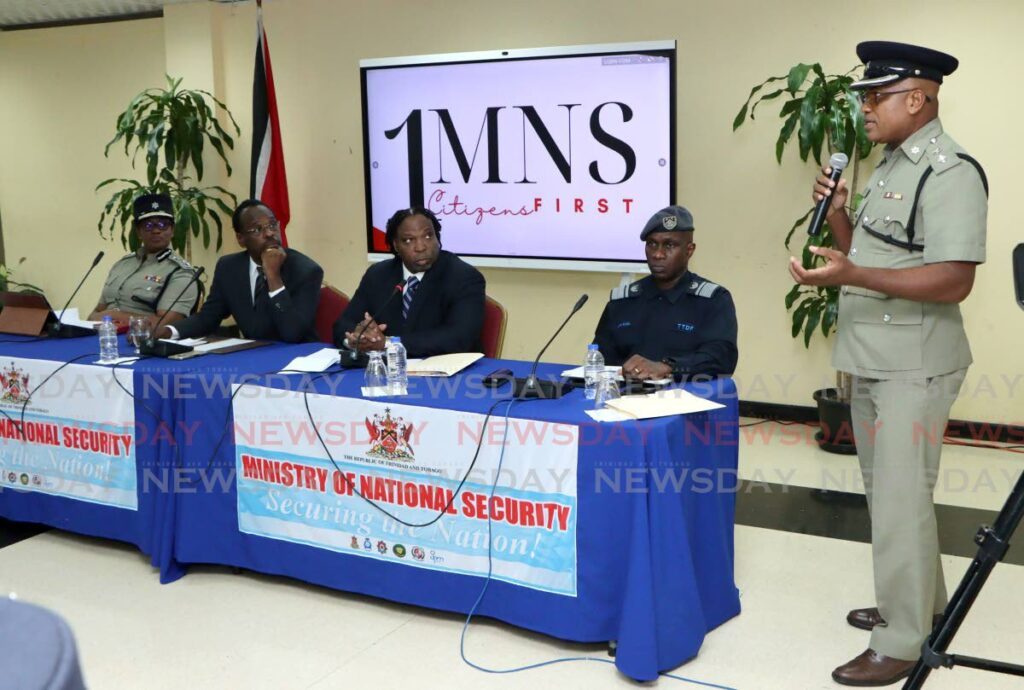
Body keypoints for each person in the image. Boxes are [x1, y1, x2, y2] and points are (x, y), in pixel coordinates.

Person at [792, 41, 987, 687]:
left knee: (901, 502)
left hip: (914, 363)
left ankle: (902, 639)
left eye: (875, 96)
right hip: (874, 356)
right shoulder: (889, 165)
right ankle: (919, 605)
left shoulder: (949, 170)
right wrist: (841, 213)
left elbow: (953, 280)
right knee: (891, 498)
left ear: (917, 99)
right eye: (863, 96)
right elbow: (876, 257)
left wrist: (853, 271)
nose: (863, 107)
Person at [592, 205, 738, 380]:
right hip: (623, 398)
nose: (658, 254)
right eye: (652, 244)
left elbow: (721, 359)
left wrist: (668, 367)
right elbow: (600, 358)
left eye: (669, 245)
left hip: (684, 398)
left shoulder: (712, 300)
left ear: (689, 250)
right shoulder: (622, 301)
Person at [157, 199, 323, 343]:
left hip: (298, 359)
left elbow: (293, 333)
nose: (270, 233)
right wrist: (169, 331)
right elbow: (208, 318)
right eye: (258, 229)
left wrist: (273, 277)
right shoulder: (229, 267)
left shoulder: (306, 270)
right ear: (240, 239)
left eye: (272, 225)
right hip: (251, 355)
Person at [334, 206, 485, 358]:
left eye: (428, 236)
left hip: (445, 373)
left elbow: (459, 337)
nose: (421, 247)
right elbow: (343, 324)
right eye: (408, 240)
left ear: (437, 238)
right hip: (388, 372)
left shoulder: (464, 277)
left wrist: (388, 343)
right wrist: (356, 339)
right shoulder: (378, 275)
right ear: (395, 245)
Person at [89, 193, 198, 328]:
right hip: (106, 338)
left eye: (163, 225)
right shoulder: (122, 264)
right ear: (138, 231)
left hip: (143, 341)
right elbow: (96, 313)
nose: (156, 230)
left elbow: (163, 325)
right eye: (148, 225)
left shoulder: (180, 272)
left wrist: (113, 316)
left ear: (173, 230)